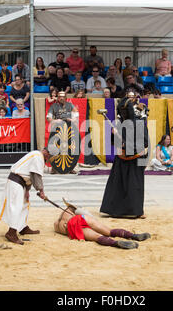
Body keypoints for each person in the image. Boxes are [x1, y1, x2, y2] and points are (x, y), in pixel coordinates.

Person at [100, 91, 149, 219]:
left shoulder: (139, 123)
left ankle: (136, 210)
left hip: (135, 159)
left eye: (125, 111)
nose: (123, 114)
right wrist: (114, 134)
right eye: (121, 111)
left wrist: (126, 143)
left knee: (134, 186)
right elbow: (113, 142)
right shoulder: (119, 124)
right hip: (121, 158)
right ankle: (115, 210)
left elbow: (143, 143)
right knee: (118, 185)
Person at [0, 148, 50, 245]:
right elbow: (36, 176)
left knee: (25, 204)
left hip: (21, 182)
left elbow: (29, 173)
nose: (48, 158)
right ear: (46, 153)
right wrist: (41, 191)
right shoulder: (38, 157)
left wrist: (27, 190)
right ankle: (11, 232)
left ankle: (22, 227)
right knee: (16, 207)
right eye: (49, 156)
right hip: (16, 181)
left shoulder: (37, 155)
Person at [53, 205, 150, 249]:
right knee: (109, 231)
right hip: (81, 218)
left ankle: (115, 243)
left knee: (96, 237)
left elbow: (60, 228)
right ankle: (133, 235)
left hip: (71, 228)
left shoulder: (57, 225)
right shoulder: (70, 212)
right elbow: (88, 215)